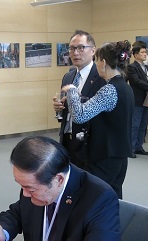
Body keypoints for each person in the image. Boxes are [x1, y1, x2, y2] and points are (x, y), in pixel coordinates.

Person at [0, 136, 120, 241]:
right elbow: (18, 212)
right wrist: (2, 232)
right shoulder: (33, 185)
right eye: (22, 186)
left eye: (30, 189)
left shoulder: (99, 198)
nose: (25, 194)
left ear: (59, 179)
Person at [61, 41, 134, 199]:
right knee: (114, 197)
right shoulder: (126, 87)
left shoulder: (109, 90)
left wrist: (72, 92)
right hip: (119, 153)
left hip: (105, 155)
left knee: (95, 199)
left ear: (104, 62)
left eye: (97, 60)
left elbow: (80, 116)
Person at [53, 30, 106, 169]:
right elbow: (67, 107)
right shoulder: (68, 76)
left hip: (89, 143)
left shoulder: (102, 77)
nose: (75, 53)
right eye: (72, 48)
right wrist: (60, 108)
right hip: (67, 140)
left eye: (81, 48)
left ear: (93, 51)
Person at [127, 41, 148, 158]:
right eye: (142, 52)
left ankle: (139, 147)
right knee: (135, 124)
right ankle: (131, 148)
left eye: (145, 52)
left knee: (143, 123)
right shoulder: (131, 67)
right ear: (135, 55)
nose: (145, 54)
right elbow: (136, 81)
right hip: (138, 99)